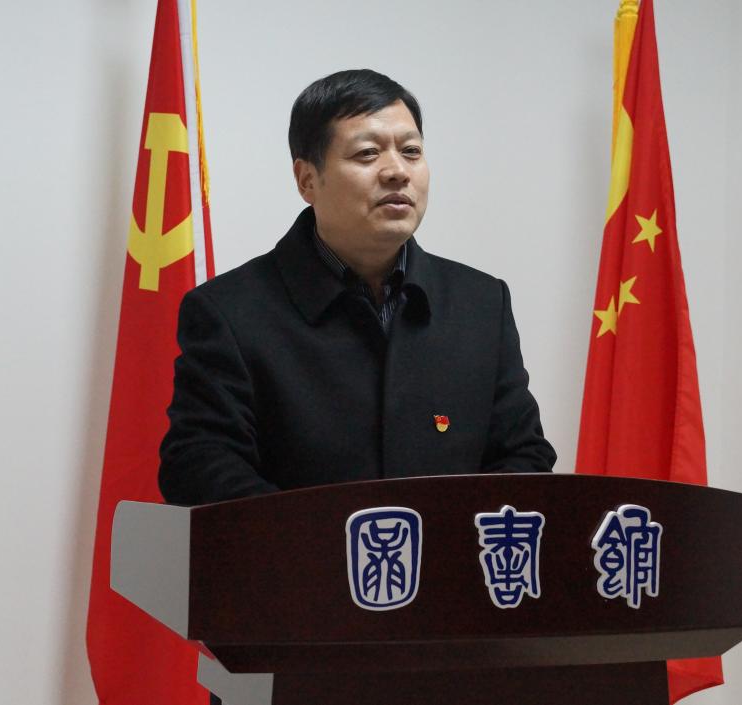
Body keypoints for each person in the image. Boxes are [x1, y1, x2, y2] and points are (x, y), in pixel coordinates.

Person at [158, 68, 556, 509]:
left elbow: (524, 456)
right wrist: (319, 540)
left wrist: (449, 538)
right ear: (307, 180)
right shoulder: (230, 312)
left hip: (451, 553)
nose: (397, 172)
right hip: (300, 553)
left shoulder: (480, 303)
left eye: (411, 151)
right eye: (367, 154)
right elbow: (200, 465)